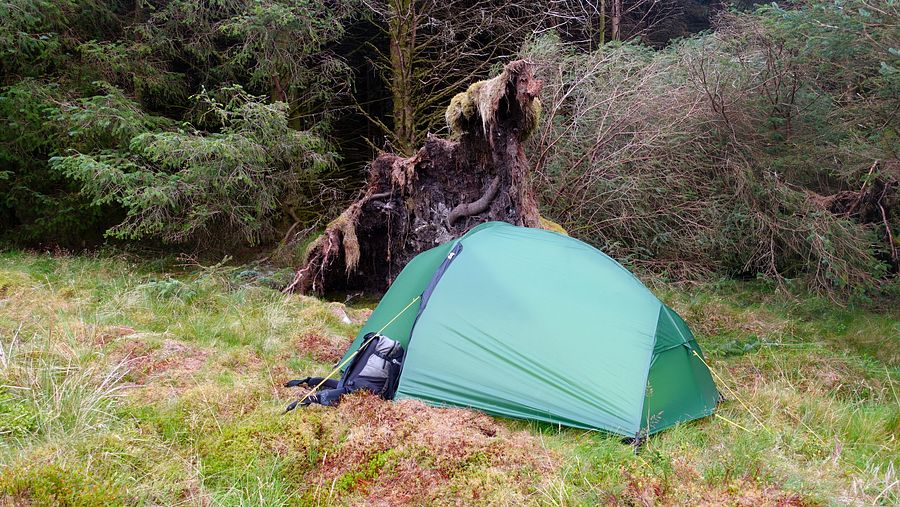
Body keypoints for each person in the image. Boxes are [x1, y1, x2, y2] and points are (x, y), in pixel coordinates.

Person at [283, 333, 404, 412]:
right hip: (360, 383)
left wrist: (310, 398)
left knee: (346, 387)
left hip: (358, 382)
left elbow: (345, 390)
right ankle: (310, 383)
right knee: (346, 387)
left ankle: (310, 383)